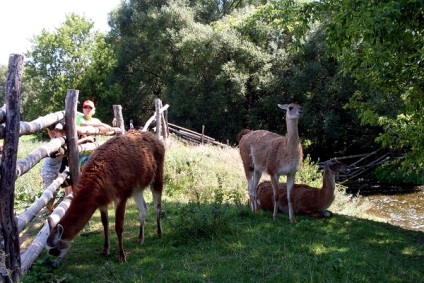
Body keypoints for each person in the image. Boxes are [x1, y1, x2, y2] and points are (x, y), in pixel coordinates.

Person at [41, 120, 72, 213]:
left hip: (56, 170)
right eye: (60, 132)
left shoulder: (62, 140)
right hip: (48, 170)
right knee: (49, 192)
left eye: (63, 132)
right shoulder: (55, 142)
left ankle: (51, 209)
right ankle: (50, 209)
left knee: (55, 190)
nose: (62, 134)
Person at [76, 100, 115, 168]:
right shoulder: (78, 118)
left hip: (91, 152)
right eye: (85, 107)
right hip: (79, 152)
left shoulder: (95, 120)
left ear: (93, 110)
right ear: (83, 109)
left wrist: (113, 129)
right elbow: (84, 124)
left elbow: (104, 129)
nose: (87, 109)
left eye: (90, 107)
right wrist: (100, 124)